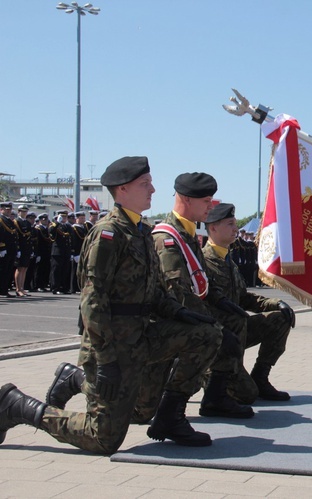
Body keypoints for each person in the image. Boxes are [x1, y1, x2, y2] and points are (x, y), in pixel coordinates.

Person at [0, 156, 223, 453]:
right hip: (112, 346)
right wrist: (104, 361)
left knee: (203, 339)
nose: (153, 189)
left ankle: (169, 416)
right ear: (122, 190)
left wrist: (179, 312)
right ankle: (17, 406)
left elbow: (153, 292)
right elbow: (93, 302)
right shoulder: (108, 234)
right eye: (145, 184)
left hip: (141, 337)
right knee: (103, 438)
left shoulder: (141, 232)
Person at [134, 172, 255, 421]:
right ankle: (78, 378)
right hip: (162, 326)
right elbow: (176, 294)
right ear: (187, 200)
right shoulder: (167, 238)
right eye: (206, 201)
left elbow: (202, 283)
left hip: (181, 322)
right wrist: (214, 324)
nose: (211, 206)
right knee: (140, 410)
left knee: (229, 326)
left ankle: (213, 399)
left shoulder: (189, 235)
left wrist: (222, 303)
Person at [203, 203, 295, 403]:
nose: (236, 229)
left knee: (280, 319)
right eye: (230, 224)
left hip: (238, 333)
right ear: (213, 228)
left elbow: (244, 298)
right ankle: (209, 376)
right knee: (247, 395)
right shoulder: (202, 262)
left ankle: (260, 377)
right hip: (217, 340)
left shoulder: (229, 261)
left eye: (235, 224)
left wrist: (275, 303)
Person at [0, 202, 19, 298]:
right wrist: (2, 247)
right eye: (6, 209)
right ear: (1, 210)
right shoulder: (1, 220)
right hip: (4, 249)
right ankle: (2, 290)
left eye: (9, 209)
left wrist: (17, 249)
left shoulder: (11, 221)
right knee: (3, 270)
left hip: (11, 250)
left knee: (8, 271)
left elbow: (14, 236)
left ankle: (4, 290)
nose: (8, 211)